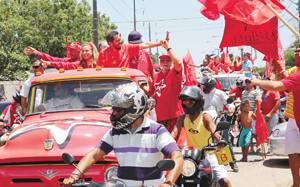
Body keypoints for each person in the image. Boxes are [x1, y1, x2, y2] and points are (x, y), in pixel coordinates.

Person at [63, 83, 183, 187]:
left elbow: (177, 156)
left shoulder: (156, 130)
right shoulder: (115, 132)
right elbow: (94, 154)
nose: (114, 114)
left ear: (134, 109)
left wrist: (168, 183)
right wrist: (75, 174)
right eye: (113, 109)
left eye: (118, 110)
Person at [171, 86, 232, 187]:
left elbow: (214, 131)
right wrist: (165, 143)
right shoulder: (182, 118)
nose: (186, 104)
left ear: (198, 102)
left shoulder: (205, 117)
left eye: (190, 102)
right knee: (172, 179)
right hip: (190, 156)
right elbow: (174, 133)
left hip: (208, 155)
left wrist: (220, 140)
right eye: (184, 102)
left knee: (224, 181)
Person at [250, 70, 300, 187]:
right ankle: (296, 184)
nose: (297, 53)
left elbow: (276, 86)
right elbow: (286, 86)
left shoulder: (297, 75)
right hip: (293, 118)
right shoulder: (295, 73)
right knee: (292, 151)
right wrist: (281, 73)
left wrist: (256, 81)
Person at [153, 40, 183, 132]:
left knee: (173, 144)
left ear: (171, 62)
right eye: (162, 61)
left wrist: (167, 48)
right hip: (158, 118)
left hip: (173, 117)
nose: (165, 63)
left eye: (168, 60)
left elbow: (178, 63)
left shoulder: (174, 72)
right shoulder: (155, 76)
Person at [96, 30, 164, 68]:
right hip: (110, 83)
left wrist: (160, 43)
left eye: (120, 40)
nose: (120, 42)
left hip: (125, 81)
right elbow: (99, 70)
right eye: (117, 41)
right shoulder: (103, 53)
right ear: (110, 43)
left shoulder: (126, 47)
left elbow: (145, 44)